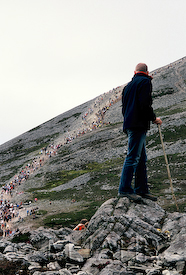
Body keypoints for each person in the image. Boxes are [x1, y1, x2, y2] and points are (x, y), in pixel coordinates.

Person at [118, 63, 162, 202]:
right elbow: (145, 104)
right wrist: (154, 118)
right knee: (133, 157)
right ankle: (125, 189)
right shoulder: (145, 82)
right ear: (147, 72)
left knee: (141, 158)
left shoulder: (128, 86)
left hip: (130, 123)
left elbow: (124, 108)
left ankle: (141, 189)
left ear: (134, 71)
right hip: (139, 124)